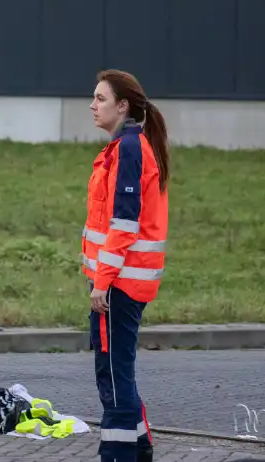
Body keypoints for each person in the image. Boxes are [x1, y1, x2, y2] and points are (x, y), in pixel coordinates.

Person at [84, 70, 168, 462]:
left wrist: (101, 283)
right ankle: (140, 444)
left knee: (114, 375)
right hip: (121, 280)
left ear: (123, 106)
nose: (92, 105)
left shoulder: (130, 149)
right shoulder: (125, 147)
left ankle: (118, 454)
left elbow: (123, 224)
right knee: (117, 368)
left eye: (100, 98)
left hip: (119, 284)